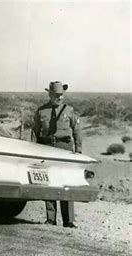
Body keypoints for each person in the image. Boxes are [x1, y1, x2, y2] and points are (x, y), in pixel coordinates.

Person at [31, 81, 82, 228]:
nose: (60, 98)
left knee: (66, 183)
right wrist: (33, 151)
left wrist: (78, 151)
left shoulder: (69, 111)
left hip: (65, 149)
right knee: (49, 182)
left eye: (62, 95)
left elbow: (77, 131)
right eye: (57, 95)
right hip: (47, 149)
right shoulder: (41, 111)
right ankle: (51, 219)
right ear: (50, 95)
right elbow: (34, 132)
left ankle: (69, 220)